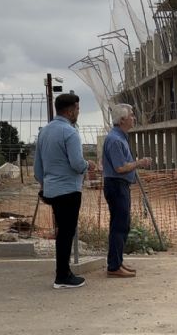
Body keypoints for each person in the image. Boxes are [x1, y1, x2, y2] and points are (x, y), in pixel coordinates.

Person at [34, 93, 96, 289]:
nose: (78, 112)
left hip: (52, 189)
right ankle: (62, 275)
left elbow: (37, 168)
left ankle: (64, 272)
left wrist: (46, 184)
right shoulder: (70, 133)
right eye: (77, 109)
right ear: (70, 111)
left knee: (62, 231)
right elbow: (77, 164)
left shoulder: (44, 131)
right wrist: (89, 165)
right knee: (66, 233)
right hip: (69, 189)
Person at [102, 103, 151, 278]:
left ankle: (117, 262)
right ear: (122, 119)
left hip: (119, 186)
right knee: (119, 226)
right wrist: (139, 163)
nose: (134, 118)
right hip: (116, 185)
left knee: (122, 225)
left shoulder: (119, 137)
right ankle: (114, 266)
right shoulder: (115, 140)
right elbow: (120, 167)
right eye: (131, 115)